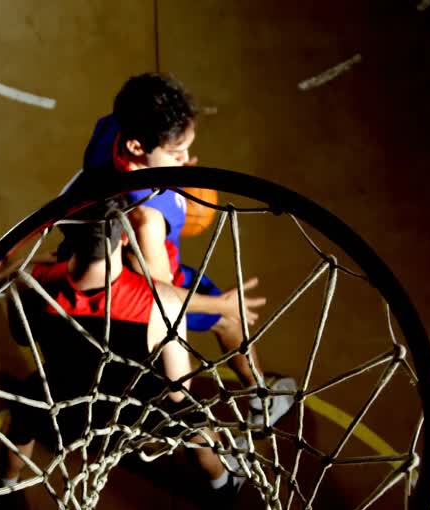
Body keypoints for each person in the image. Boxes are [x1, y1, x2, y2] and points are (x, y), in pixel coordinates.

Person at [70, 72, 296, 425]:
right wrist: (221, 304)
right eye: (176, 153)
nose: (187, 157)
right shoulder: (147, 218)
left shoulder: (110, 130)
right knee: (226, 324)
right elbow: (162, 296)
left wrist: (170, 164)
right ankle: (258, 402)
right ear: (137, 147)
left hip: (109, 261)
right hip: (142, 297)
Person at [0, 201, 245, 496]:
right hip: (136, 418)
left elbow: (21, 336)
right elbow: (177, 389)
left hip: (64, 414)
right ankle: (223, 483)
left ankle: (5, 482)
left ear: (67, 239)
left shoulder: (29, 283)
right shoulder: (161, 301)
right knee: (193, 419)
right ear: (123, 237)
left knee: (24, 411)